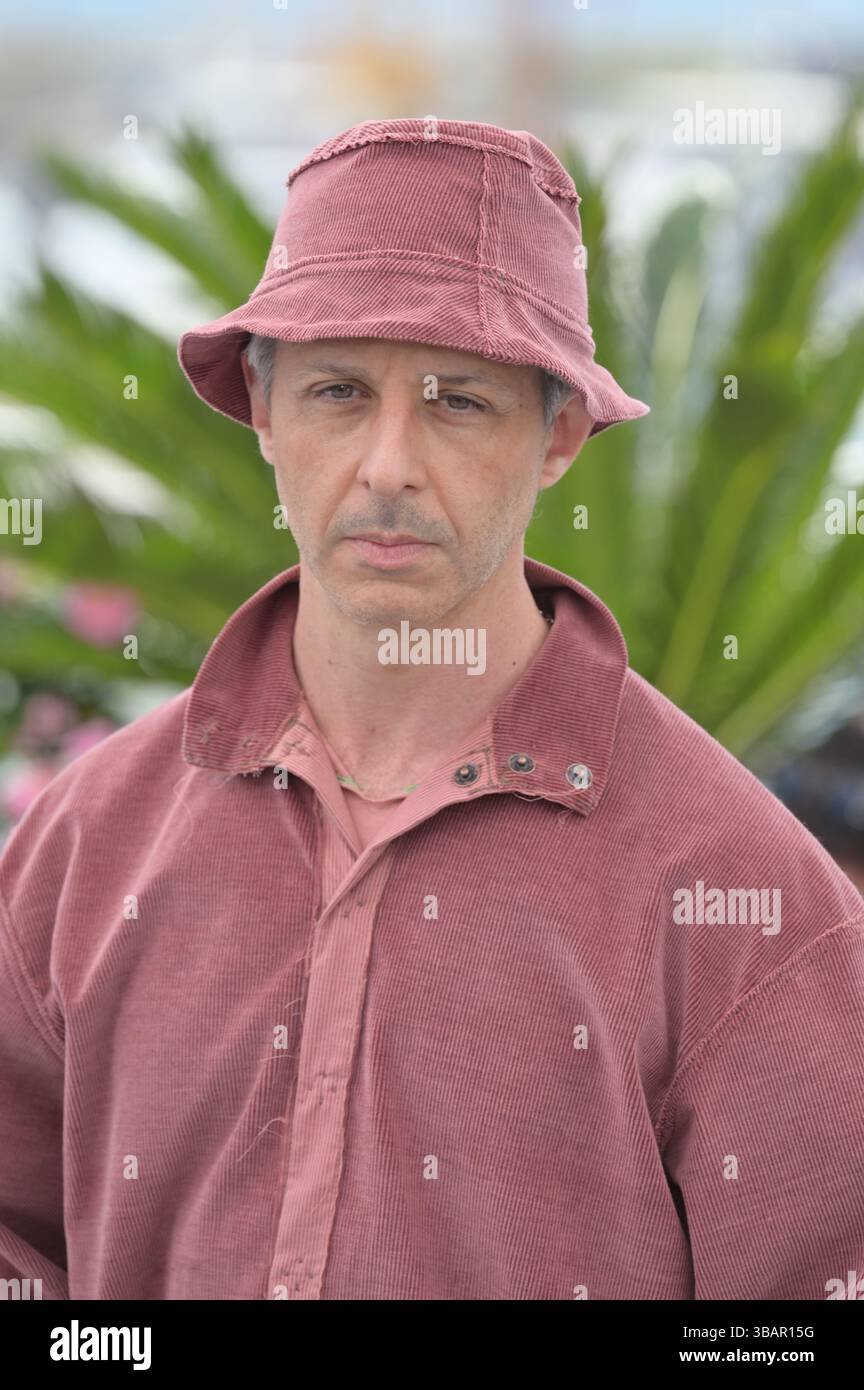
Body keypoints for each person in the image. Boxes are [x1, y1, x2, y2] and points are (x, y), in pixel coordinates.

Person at [1, 118, 862, 1302]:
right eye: (339, 392)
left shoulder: (747, 897)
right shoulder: (85, 844)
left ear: (559, 433)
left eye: (459, 403)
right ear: (262, 414)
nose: (390, 464)